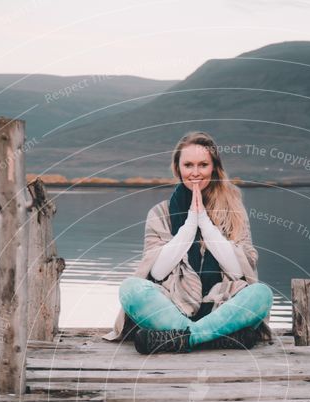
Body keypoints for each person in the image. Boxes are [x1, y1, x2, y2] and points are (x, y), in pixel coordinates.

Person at [104, 130, 274, 354]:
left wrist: (204, 221)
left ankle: (180, 339)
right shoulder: (160, 213)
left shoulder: (234, 211)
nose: (195, 172)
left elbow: (237, 269)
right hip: (173, 305)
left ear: (214, 167)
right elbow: (157, 271)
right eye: (188, 165)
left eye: (203, 165)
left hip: (223, 303)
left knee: (261, 294)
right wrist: (190, 223)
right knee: (130, 289)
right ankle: (216, 337)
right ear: (178, 168)